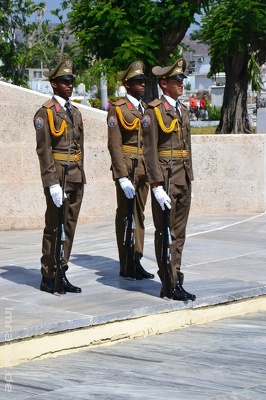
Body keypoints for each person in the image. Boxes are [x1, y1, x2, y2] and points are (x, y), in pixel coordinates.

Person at [142, 58, 196, 301]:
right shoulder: (154, 111)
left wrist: (189, 179)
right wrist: (155, 185)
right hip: (164, 179)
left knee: (180, 234)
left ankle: (177, 278)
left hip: (182, 179)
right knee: (165, 232)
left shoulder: (182, 109)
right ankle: (169, 283)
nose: (181, 83)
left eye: (182, 80)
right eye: (176, 80)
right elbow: (149, 150)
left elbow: (187, 148)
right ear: (164, 84)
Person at [33, 59, 86, 294]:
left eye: (71, 81)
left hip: (75, 176)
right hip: (59, 178)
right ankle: (48, 274)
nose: (69, 85)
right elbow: (44, 151)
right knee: (54, 226)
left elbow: (79, 148)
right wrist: (51, 183)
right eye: (65, 81)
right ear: (54, 84)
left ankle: (62, 269)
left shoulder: (75, 112)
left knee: (70, 226)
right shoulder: (45, 113)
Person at [107, 61, 154, 280]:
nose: (142, 85)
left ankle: (136, 258)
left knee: (139, 215)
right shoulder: (118, 109)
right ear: (128, 85)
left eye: (143, 81)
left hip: (145, 168)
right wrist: (121, 175)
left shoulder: (148, 109)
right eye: (137, 82)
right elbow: (114, 145)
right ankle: (126, 264)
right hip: (128, 167)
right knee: (126, 215)